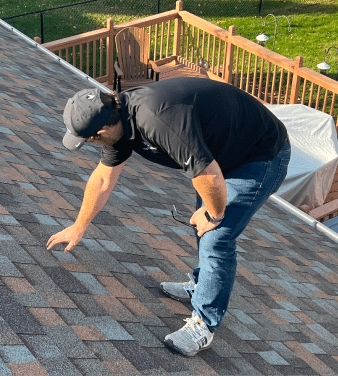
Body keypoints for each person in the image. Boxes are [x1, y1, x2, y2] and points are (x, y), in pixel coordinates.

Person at [46, 77, 290, 357]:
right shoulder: (119, 120)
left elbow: (209, 177)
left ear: (101, 131)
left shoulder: (158, 119)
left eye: (88, 140)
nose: (92, 144)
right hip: (222, 152)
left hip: (259, 155)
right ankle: (202, 286)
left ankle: (204, 325)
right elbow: (103, 178)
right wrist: (79, 225)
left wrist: (214, 212)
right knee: (205, 225)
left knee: (216, 236)